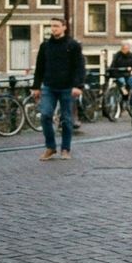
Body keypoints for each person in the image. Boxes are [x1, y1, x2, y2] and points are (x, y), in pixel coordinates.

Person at [32, 18, 84, 161]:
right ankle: (51, 147)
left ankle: (65, 149)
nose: (53, 29)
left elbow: (79, 66)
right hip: (49, 86)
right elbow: (39, 67)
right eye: (51, 26)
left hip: (67, 87)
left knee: (66, 119)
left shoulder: (73, 45)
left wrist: (78, 85)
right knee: (45, 116)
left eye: (56, 26)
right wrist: (36, 86)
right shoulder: (45, 46)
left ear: (64, 27)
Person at [109, 39, 132, 107]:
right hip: (119, 75)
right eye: (123, 48)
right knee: (121, 81)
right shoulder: (117, 55)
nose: (124, 49)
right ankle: (123, 92)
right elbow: (113, 66)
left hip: (129, 75)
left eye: (126, 48)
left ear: (129, 48)